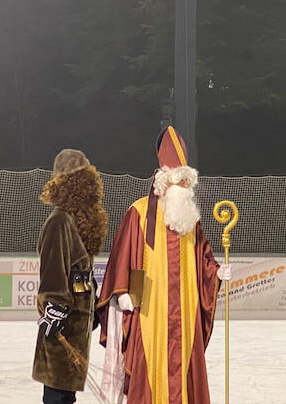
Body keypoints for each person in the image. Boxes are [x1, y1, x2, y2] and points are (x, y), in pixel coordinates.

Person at [95, 127, 232, 404]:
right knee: (150, 361)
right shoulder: (139, 212)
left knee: (184, 365)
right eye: (178, 182)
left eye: (185, 183)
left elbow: (203, 257)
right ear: (163, 181)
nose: (183, 188)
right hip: (151, 312)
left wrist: (216, 272)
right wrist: (122, 291)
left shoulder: (191, 220)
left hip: (186, 310)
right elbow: (123, 255)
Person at [32, 149, 109, 404]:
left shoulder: (78, 222)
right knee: (57, 391)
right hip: (63, 321)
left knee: (66, 391)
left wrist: (95, 304)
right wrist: (54, 307)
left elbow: (83, 271)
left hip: (78, 321)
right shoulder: (59, 222)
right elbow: (53, 269)